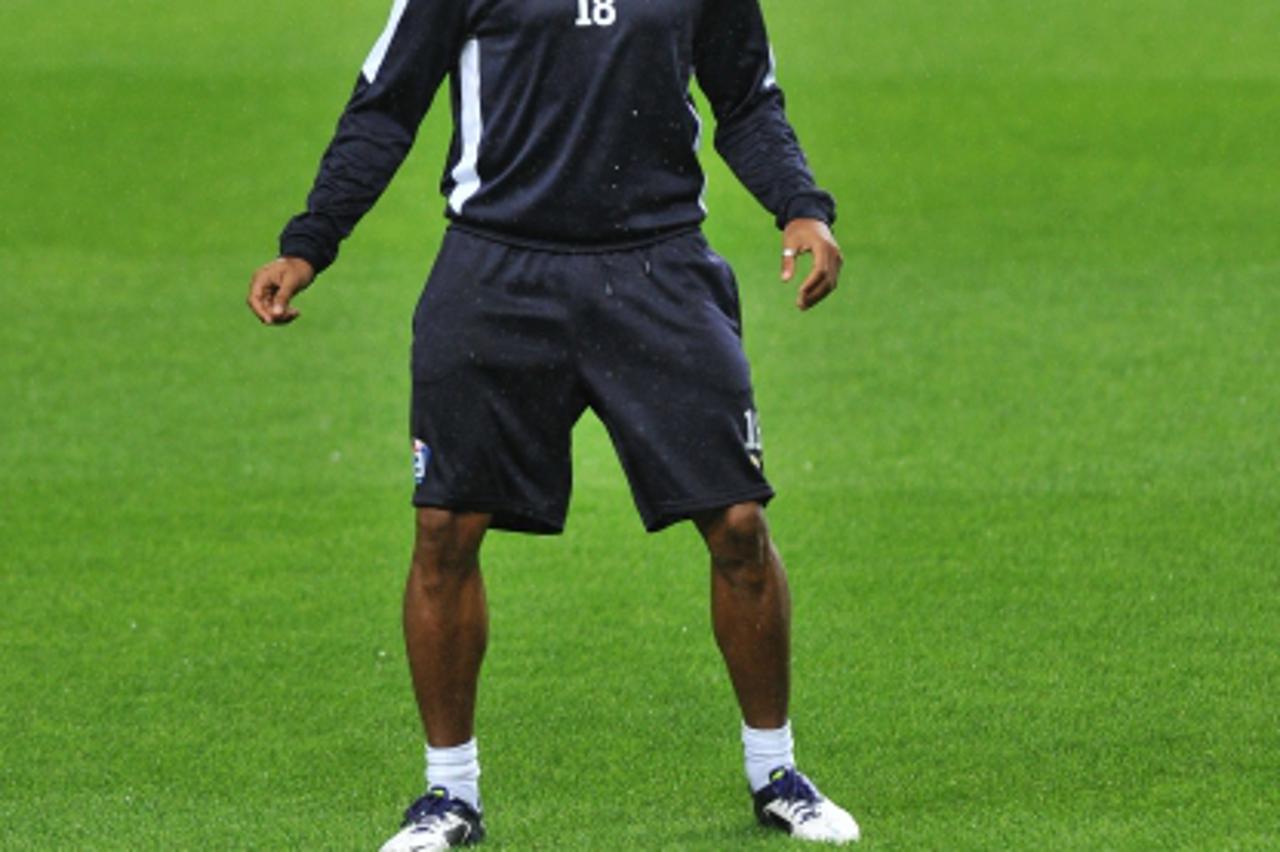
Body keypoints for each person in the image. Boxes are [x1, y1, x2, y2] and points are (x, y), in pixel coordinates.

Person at [246, 0, 858, 847]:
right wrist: (311, 241)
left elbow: (747, 97)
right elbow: (387, 101)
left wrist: (801, 204)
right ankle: (449, 795)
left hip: (660, 266)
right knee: (444, 529)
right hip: (496, 267)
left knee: (739, 523)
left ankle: (776, 772)